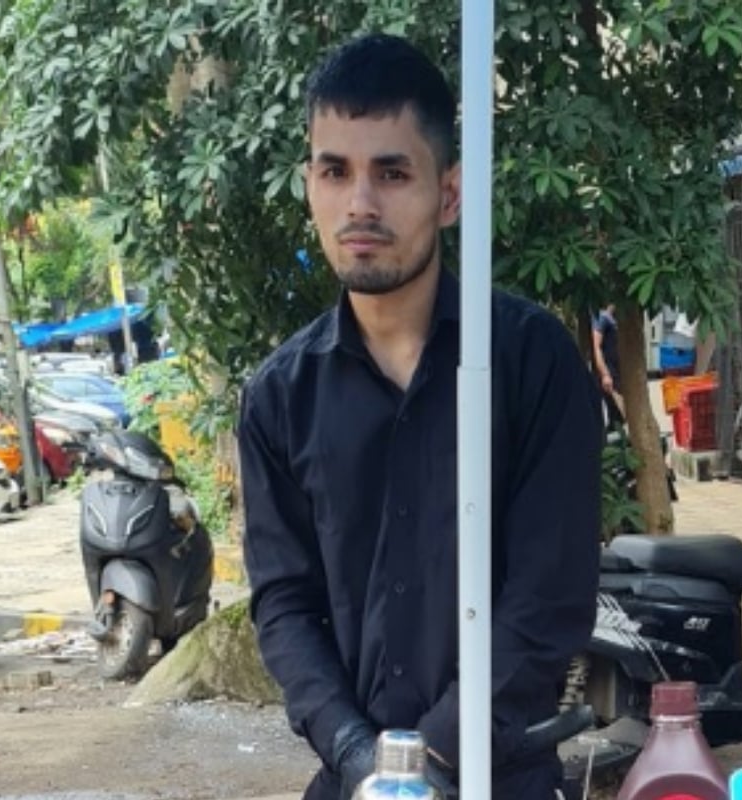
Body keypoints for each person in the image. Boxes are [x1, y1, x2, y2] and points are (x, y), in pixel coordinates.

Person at [237, 34, 603, 800]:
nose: (360, 203)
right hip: (353, 779)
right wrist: (360, 758)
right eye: (335, 170)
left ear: (448, 192)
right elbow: (285, 601)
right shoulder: (279, 398)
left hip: (503, 777)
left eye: (392, 172)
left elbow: (550, 598)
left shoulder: (532, 365)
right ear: (309, 183)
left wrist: (430, 761)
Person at [592, 304, 624, 428]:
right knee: (616, 414)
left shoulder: (613, 318)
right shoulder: (602, 317)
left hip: (616, 370)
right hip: (609, 371)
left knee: (618, 414)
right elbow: (596, 346)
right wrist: (605, 374)